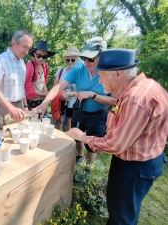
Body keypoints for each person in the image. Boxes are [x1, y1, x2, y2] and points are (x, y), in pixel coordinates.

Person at [67, 48, 167, 225]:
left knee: (121, 216)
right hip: (143, 160)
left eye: (102, 75)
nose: (98, 79)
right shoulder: (146, 86)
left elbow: (116, 144)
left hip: (134, 166)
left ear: (118, 74)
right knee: (124, 210)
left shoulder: (136, 98)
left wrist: (83, 138)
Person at [35, 37, 117, 167]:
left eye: (90, 58)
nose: (86, 62)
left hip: (98, 115)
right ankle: (79, 156)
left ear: (102, 56)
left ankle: (89, 168)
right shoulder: (78, 68)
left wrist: (92, 95)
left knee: (92, 144)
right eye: (84, 57)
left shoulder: (110, 72)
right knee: (75, 136)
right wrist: (45, 103)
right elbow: (58, 86)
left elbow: (114, 100)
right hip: (80, 111)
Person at [0, 30, 33, 123]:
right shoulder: (1, 60)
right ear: (14, 43)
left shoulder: (22, 62)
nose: (27, 52)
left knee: (22, 135)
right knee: (7, 136)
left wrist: (25, 106)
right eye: (25, 47)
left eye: (29, 48)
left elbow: (21, 86)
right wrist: (11, 109)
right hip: (5, 107)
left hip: (21, 105)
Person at [53, 47, 80, 131]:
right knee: (60, 120)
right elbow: (55, 87)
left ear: (77, 60)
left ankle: (67, 140)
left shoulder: (80, 73)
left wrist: (69, 94)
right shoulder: (60, 71)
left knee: (69, 121)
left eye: (73, 60)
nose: (70, 62)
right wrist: (62, 94)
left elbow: (82, 91)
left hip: (73, 102)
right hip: (61, 100)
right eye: (68, 60)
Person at [24, 40, 56, 110]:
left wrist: (45, 90)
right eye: (39, 56)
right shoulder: (30, 66)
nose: (41, 59)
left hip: (40, 101)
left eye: (44, 56)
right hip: (30, 101)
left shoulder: (45, 66)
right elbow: (26, 86)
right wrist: (43, 94)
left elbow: (44, 81)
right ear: (34, 54)